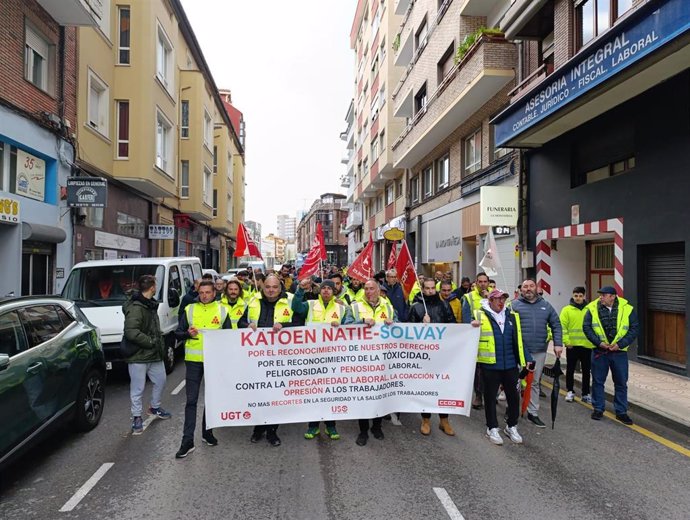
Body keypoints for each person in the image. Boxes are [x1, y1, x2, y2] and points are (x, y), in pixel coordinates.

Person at [175, 280, 234, 458]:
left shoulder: (223, 311)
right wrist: (187, 334)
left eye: (208, 292)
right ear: (198, 293)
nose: (205, 295)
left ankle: (207, 433)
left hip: (214, 362)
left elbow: (229, 337)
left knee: (211, 400)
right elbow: (177, 333)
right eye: (202, 292)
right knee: (191, 401)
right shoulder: (189, 310)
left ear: (214, 293)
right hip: (193, 361)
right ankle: (187, 441)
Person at [292, 278, 353, 440]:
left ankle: (331, 426)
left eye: (330, 288)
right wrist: (300, 290)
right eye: (324, 288)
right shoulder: (310, 305)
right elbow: (296, 307)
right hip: (312, 357)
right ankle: (313, 426)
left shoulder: (342, 308)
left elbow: (350, 328)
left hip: (333, 358)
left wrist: (341, 327)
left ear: (334, 292)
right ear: (320, 290)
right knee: (313, 393)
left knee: (330, 393)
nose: (326, 290)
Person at [471, 289, 534, 445]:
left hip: (510, 364)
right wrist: (471, 326)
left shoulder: (512, 316)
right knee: (490, 397)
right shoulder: (479, 315)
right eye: (498, 299)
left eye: (503, 299)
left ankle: (512, 426)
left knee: (513, 397)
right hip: (490, 364)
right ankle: (492, 427)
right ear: (490, 300)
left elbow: (518, 339)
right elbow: (467, 336)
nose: (501, 302)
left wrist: (527, 358)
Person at [245, 274, 298, 446]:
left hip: (281, 357)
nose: (271, 290)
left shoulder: (291, 300)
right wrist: (247, 326)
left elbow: (301, 323)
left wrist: (285, 326)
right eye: (268, 287)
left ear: (280, 287)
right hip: (257, 357)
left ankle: (272, 432)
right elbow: (239, 323)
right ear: (263, 287)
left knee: (276, 395)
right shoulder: (253, 301)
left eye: (275, 287)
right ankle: (258, 428)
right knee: (259, 393)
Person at [510, 279, 563, 428]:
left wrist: (558, 344)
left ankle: (533, 413)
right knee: (515, 382)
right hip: (518, 352)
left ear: (536, 288)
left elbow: (556, 325)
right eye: (525, 286)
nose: (528, 289)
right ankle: (512, 410)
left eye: (531, 286)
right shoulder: (514, 305)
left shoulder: (546, 306)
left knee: (534, 382)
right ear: (521, 290)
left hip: (539, 351)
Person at [583, 286, 639, 425]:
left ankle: (621, 411)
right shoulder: (591, 308)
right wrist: (599, 343)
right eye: (600, 295)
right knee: (597, 381)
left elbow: (634, 328)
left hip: (619, 352)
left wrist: (620, 344)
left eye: (604, 295)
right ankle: (598, 408)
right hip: (600, 352)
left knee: (621, 382)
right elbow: (587, 327)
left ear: (613, 296)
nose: (601, 297)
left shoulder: (628, 309)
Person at [123, 274, 171, 435]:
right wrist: (151, 341)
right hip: (139, 355)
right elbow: (131, 332)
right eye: (155, 285)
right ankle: (136, 417)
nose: (156, 287)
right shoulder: (137, 308)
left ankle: (155, 407)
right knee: (137, 388)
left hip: (153, 354)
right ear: (152, 287)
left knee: (161, 380)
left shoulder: (149, 305)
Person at [408, 278, 457, 436]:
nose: (430, 291)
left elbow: (453, 326)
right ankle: (426, 419)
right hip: (423, 356)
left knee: (443, 388)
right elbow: (407, 332)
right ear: (422, 289)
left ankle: (444, 420)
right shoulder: (416, 307)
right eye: (427, 288)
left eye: (432, 288)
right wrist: (421, 325)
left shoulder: (443, 305)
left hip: (442, 354)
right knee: (426, 388)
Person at [350, 279, 396, 446]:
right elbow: (345, 326)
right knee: (363, 395)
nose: (369, 291)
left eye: (372, 288)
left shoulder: (388, 307)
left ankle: (377, 427)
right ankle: (363, 430)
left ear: (379, 290)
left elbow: (398, 329)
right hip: (361, 359)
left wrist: (393, 323)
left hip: (382, 359)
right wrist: (361, 323)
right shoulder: (355, 306)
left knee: (379, 394)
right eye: (366, 289)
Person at [560, 287, 595, 403]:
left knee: (586, 371)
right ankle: (570, 391)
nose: (578, 298)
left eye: (580, 296)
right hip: (572, 346)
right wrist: (566, 341)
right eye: (576, 295)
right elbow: (563, 327)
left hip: (587, 345)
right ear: (572, 296)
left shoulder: (590, 310)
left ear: (584, 296)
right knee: (570, 370)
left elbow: (595, 326)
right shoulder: (566, 310)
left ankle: (586, 393)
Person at [462, 273, 491, 409]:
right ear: (476, 283)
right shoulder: (469, 297)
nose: (483, 284)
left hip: (493, 339)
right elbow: (465, 318)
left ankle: (491, 394)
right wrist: (471, 322)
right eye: (480, 281)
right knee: (479, 371)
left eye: (485, 281)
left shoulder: (495, 296)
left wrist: (489, 300)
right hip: (477, 339)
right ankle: (478, 395)